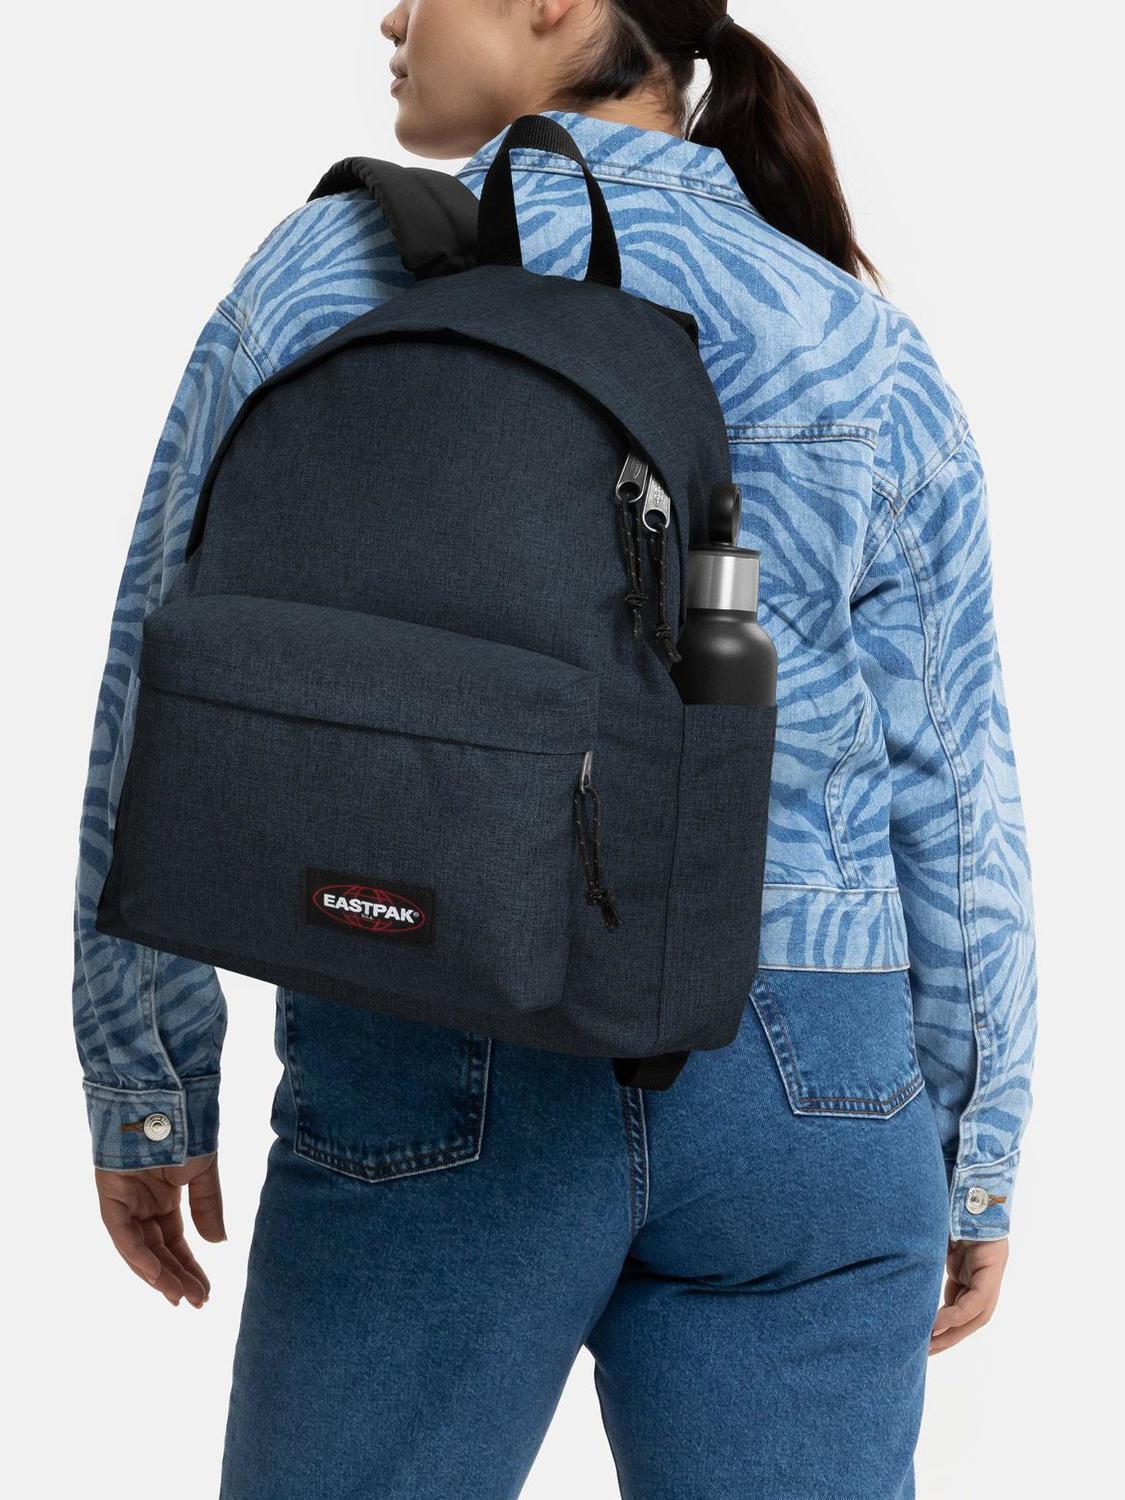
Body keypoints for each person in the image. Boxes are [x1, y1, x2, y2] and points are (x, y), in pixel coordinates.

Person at [73, 3, 1038, 1496]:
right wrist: (973, 1144)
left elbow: (166, 668)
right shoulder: (847, 332)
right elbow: (953, 783)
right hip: (812, 1077)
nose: (392, 14)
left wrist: (147, 1075)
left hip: (439, 1009)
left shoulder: (330, 275)